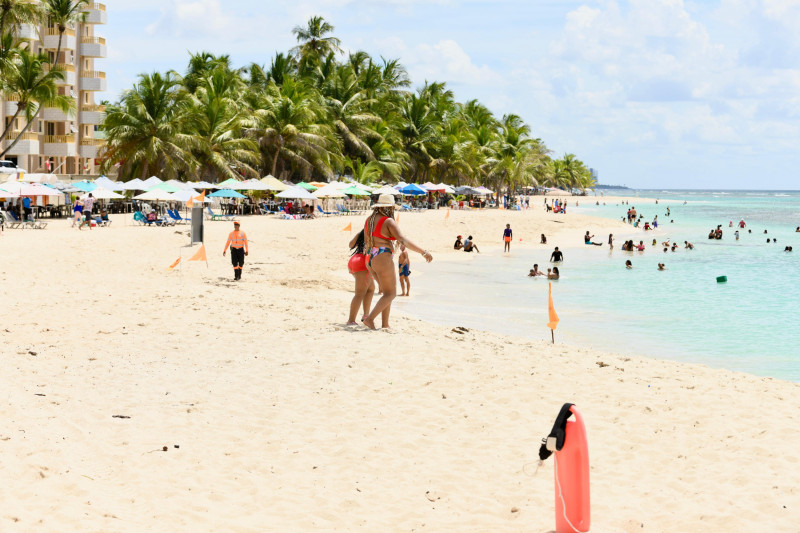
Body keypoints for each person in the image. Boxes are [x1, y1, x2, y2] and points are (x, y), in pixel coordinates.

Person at [362, 194, 432, 330]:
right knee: (391, 293)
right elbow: (403, 240)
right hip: (382, 257)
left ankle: (385, 324)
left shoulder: (369, 220)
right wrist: (424, 252)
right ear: (389, 207)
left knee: (387, 292)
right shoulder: (388, 221)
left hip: (370, 257)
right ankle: (369, 319)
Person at [347, 230, 375, 325]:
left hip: (355, 259)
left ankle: (366, 315)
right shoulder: (373, 234)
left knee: (371, 289)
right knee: (359, 293)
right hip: (363, 262)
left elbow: (351, 245)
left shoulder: (363, 233)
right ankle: (351, 320)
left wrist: (359, 234)